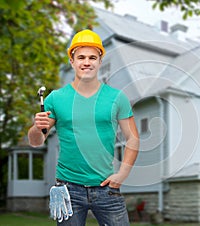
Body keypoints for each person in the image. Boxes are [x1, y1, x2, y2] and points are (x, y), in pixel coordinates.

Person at [28, 29, 140, 226]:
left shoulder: (117, 98)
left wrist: (123, 174)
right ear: (72, 61)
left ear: (99, 61)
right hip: (68, 189)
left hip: (107, 188)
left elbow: (133, 138)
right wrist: (37, 127)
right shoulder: (56, 98)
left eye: (92, 57)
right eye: (80, 57)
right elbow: (36, 142)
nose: (86, 62)